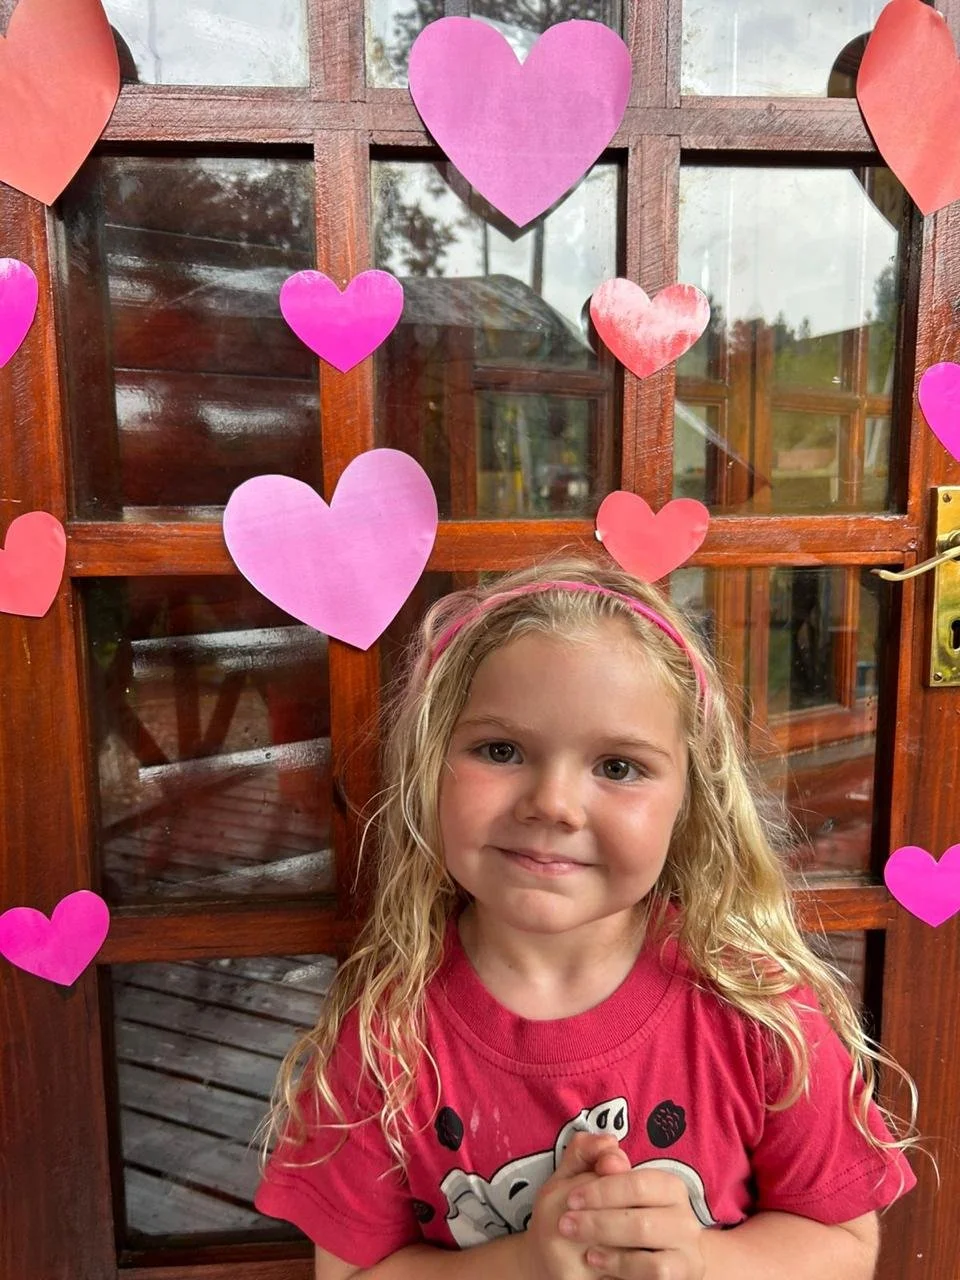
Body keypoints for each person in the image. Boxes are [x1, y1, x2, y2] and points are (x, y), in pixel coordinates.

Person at [255, 556, 920, 1279]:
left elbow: (845, 1246)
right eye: (501, 750)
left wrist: (701, 1260)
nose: (554, 804)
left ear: (689, 801)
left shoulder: (758, 1009)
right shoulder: (386, 1034)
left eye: (618, 766)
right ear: (429, 767)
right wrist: (526, 1263)